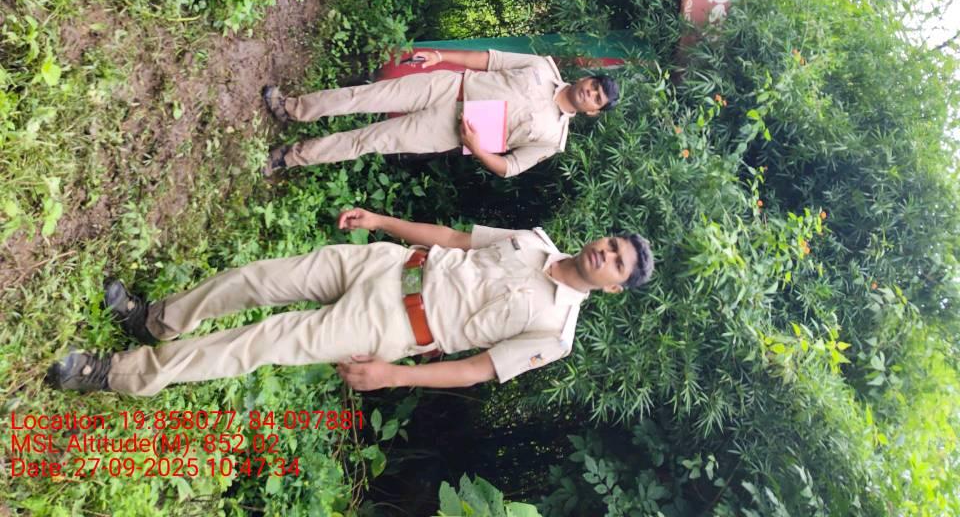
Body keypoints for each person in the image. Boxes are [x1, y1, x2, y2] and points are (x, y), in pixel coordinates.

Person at [46, 208, 654, 395]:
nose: (605, 253)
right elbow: (452, 239)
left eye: (617, 263)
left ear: (614, 286)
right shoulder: (535, 240)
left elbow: (475, 369)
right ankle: (155, 320)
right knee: (257, 278)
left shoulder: (556, 331)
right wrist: (381, 223)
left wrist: (395, 375)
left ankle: (112, 373)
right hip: (390, 264)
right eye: (612, 244)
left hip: (394, 324)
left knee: (260, 342)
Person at [260, 48, 619, 178]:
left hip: (447, 130)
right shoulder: (542, 67)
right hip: (449, 87)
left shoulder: (553, 138)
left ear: (593, 112)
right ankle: (292, 108)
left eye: (597, 98)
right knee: (365, 96)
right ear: (586, 78)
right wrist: (440, 56)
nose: (590, 92)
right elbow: (489, 60)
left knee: (367, 141)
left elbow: (509, 167)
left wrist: (477, 148)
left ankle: (289, 157)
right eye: (594, 85)